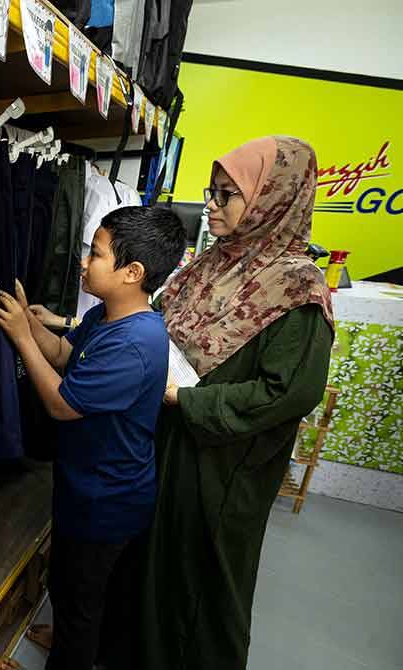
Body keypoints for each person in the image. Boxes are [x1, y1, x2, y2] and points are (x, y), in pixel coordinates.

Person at [139, 136, 335, 670]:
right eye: (212, 191)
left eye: (228, 195)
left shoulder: (297, 290)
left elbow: (289, 391)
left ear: (273, 198)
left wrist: (190, 400)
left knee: (204, 579)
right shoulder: (212, 263)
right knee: (157, 559)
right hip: (172, 439)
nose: (211, 204)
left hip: (225, 464)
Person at [0, 206, 187, 670]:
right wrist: (34, 326)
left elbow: (63, 404)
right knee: (71, 588)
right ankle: (72, 642)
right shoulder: (107, 315)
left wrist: (22, 339)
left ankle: (73, 653)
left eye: (96, 255)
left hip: (107, 501)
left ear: (132, 272)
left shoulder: (134, 343)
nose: (83, 262)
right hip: (89, 487)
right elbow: (65, 355)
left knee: (79, 600)